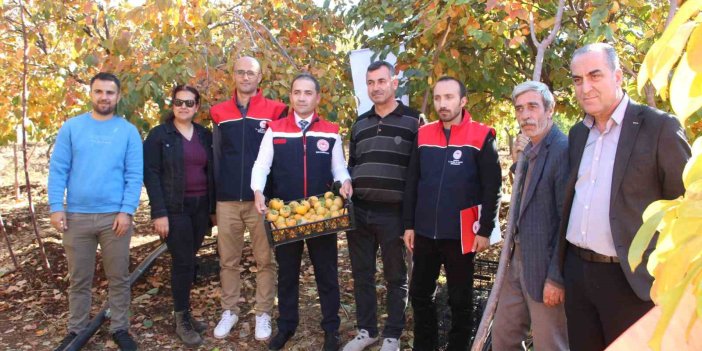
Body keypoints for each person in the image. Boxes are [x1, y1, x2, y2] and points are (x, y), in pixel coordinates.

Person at [559, 43, 691, 350]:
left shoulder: (659, 127)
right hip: (579, 274)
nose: (585, 87)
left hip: (633, 281)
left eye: (595, 75)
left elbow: (687, 209)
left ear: (618, 76)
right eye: (577, 80)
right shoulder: (579, 133)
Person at [251, 72, 353, 351]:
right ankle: (286, 326)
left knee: (327, 273)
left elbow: (338, 167)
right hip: (286, 215)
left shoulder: (330, 130)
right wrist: (258, 190)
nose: (302, 97)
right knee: (287, 273)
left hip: (321, 215)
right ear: (291, 96)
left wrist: (345, 181)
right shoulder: (276, 128)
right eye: (297, 92)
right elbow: (262, 165)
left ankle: (331, 328)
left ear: (317, 98)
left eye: (308, 93)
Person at [402, 76, 501, 351]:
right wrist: (408, 224)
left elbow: (492, 187)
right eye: (437, 98)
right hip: (423, 232)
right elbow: (412, 182)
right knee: (420, 295)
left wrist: (484, 229)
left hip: (461, 235)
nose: (442, 104)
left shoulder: (482, 135)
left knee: (460, 299)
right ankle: (426, 345)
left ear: (463, 101)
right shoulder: (423, 134)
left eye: (448, 97)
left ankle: (458, 346)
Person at [49, 72, 142, 351]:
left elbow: (133, 175)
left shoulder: (128, 131)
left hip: (114, 218)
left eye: (110, 92)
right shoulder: (72, 127)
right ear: (91, 94)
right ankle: (76, 330)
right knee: (79, 278)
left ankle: (120, 328)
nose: (104, 97)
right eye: (99, 91)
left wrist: (127, 211)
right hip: (76, 217)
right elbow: (58, 169)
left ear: (118, 96)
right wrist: (56, 207)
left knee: (119, 277)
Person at [343, 60, 422, 351]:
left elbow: (419, 172)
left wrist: (411, 219)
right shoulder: (360, 123)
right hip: (359, 212)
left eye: (381, 81)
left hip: (394, 213)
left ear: (394, 83)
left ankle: (392, 334)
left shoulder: (414, 121)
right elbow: (353, 165)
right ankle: (367, 331)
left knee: (395, 276)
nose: (376, 87)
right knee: (361, 274)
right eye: (371, 82)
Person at [210, 56, 287, 341]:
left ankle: (263, 312)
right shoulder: (219, 112)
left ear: (259, 77)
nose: (245, 78)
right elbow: (216, 158)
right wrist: (213, 202)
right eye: (240, 72)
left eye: (250, 73)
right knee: (228, 260)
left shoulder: (277, 110)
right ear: (234, 76)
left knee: (265, 260)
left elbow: (280, 157)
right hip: (227, 200)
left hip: (261, 201)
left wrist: (276, 197)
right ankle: (229, 310)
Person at [492, 81, 569, 350]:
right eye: (519, 108)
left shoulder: (562, 150)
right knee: (503, 337)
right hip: (516, 260)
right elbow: (527, 202)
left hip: (545, 266)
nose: (525, 115)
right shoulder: (530, 150)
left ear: (549, 110)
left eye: (533, 107)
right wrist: (518, 164)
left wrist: (556, 277)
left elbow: (564, 223)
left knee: (551, 344)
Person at [143, 85, 215, 347]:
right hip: (175, 209)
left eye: (189, 102)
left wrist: (212, 210)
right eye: (178, 102)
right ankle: (181, 318)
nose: (183, 106)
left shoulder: (205, 135)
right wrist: (159, 213)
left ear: (197, 107)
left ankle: (186, 312)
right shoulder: (159, 136)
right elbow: (151, 175)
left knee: (190, 258)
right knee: (183, 261)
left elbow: (212, 171)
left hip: (200, 208)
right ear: (172, 105)